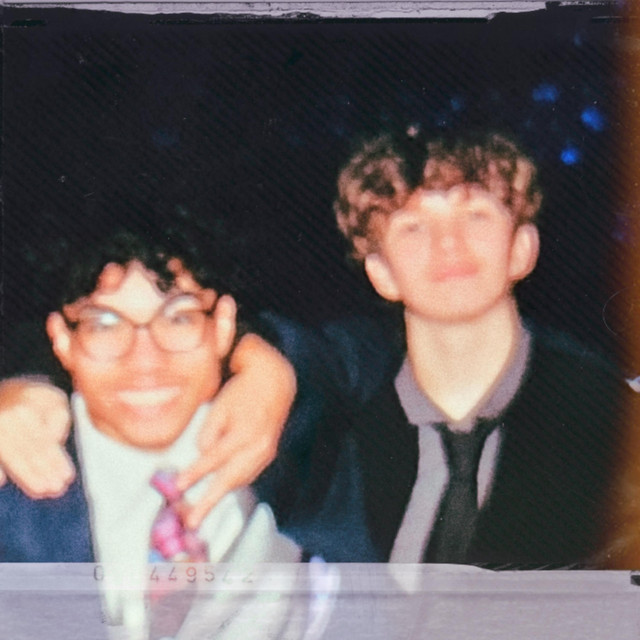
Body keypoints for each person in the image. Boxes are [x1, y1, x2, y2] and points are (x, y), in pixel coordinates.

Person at [275, 130, 627, 566]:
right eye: (413, 226)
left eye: (475, 216)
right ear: (381, 273)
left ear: (521, 249)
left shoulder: (608, 428)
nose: (448, 243)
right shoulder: (337, 438)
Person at [0, 204, 303, 638]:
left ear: (224, 326)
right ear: (63, 340)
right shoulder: (14, 500)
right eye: (105, 324)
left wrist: (270, 366)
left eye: (179, 317)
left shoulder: (304, 426)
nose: (145, 362)